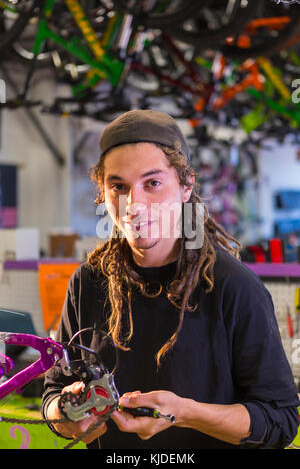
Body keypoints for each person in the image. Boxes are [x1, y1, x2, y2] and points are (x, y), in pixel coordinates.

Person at [41, 109, 300, 449]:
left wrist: (189, 413)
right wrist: (65, 414)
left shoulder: (233, 287)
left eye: (153, 183)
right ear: (103, 193)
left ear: (185, 186)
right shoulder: (88, 282)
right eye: (118, 186)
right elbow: (52, 391)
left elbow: (281, 420)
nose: (134, 205)